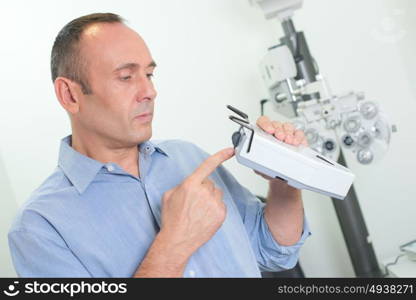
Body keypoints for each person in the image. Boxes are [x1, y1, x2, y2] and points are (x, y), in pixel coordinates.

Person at [8, 13, 311, 277]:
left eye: (149, 74)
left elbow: (273, 250)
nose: (150, 91)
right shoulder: (39, 227)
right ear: (70, 95)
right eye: (126, 77)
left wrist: (284, 180)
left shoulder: (187, 157)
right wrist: (176, 242)